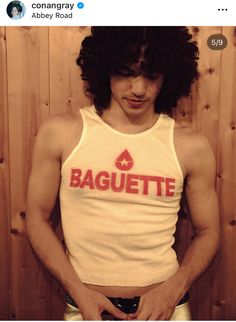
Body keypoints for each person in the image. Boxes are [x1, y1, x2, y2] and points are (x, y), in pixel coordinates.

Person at [26, 27, 220, 320]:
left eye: (151, 75)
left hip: (165, 307)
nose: (139, 89)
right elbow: (37, 218)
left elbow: (208, 231)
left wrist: (172, 290)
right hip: (86, 307)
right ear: (105, 69)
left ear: (168, 75)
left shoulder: (191, 146)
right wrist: (78, 292)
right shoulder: (61, 134)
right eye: (126, 73)